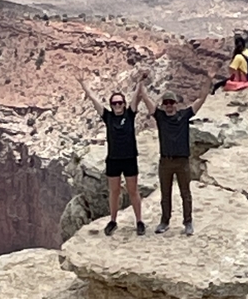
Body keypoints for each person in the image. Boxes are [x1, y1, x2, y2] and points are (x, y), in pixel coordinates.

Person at [79, 74, 146, 236]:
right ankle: (113, 221)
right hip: (113, 160)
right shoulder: (108, 117)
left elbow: (137, 97)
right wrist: (84, 85)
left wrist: (140, 82)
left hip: (129, 158)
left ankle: (139, 221)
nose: (117, 105)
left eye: (120, 103)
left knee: (133, 191)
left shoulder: (130, 114)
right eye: (114, 103)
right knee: (114, 191)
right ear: (111, 105)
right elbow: (94, 101)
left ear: (124, 104)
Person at [141, 81, 211, 236]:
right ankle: (165, 221)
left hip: (182, 161)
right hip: (165, 161)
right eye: (165, 103)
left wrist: (208, 79)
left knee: (185, 192)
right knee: (165, 193)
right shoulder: (160, 117)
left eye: (171, 102)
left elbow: (201, 98)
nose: (168, 105)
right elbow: (146, 99)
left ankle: (188, 222)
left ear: (176, 104)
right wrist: (141, 82)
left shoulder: (184, 115)